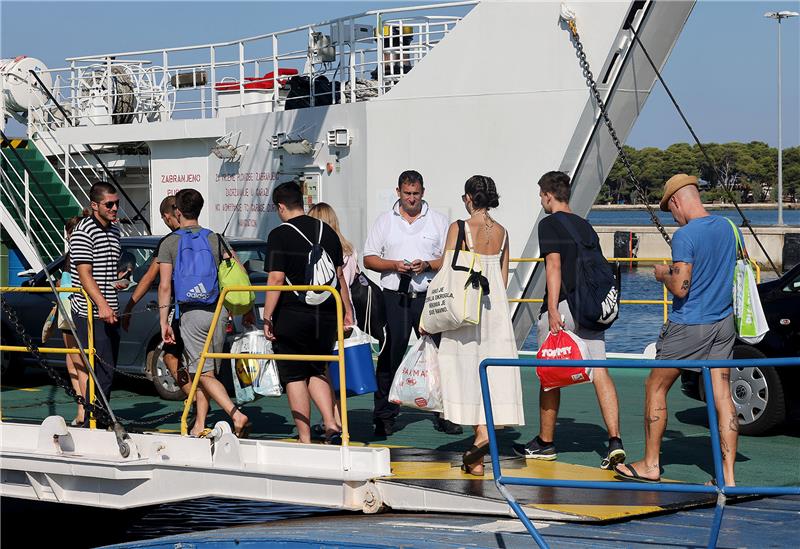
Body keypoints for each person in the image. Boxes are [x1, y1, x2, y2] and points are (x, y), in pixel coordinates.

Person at [615, 174, 740, 486]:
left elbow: (682, 287)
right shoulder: (727, 227)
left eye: (671, 211)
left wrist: (662, 274)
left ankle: (650, 464)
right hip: (723, 323)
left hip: (689, 325)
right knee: (722, 396)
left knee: (655, 387)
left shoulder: (686, 235)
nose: (674, 216)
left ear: (675, 201)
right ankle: (728, 477)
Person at [513, 171, 625, 470]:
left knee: (550, 375)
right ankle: (615, 441)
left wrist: (551, 310)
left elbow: (553, 265)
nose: (541, 201)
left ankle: (545, 443)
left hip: (564, 308)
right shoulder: (584, 225)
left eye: (541, 195)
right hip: (590, 308)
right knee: (600, 371)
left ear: (549, 195)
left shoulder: (549, 223)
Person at [436, 175, 524, 476]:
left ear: (469, 198)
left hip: (466, 306)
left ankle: (481, 440)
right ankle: (479, 448)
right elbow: (502, 274)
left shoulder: (459, 228)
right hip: (495, 306)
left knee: (461, 368)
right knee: (492, 371)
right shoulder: (502, 232)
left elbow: (448, 270)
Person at [363, 170, 461, 437]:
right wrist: (394, 265)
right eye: (407, 194)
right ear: (398, 192)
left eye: (416, 194)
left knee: (440, 356)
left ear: (423, 192)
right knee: (389, 356)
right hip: (393, 297)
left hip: (430, 297)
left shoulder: (439, 221)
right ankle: (384, 415)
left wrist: (427, 264)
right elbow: (369, 259)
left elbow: (450, 258)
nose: (411, 199)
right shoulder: (385, 221)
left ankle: (445, 414)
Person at [262, 182, 354, 444]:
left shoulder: (280, 234)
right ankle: (330, 424)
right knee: (317, 368)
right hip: (325, 313)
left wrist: (267, 317)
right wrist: (346, 311)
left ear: (280, 207)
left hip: (292, 314)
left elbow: (276, 279)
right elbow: (339, 278)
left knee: (294, 375)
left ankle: (304, 437)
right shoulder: (328, 232)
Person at [157, 189, 250, 438]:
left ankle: (235, 413)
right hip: (217, 311)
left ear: (177, 211)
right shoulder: (215, 239)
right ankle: (199, 423)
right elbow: (237, 271)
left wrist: (163, 321)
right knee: (206, 369)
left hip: (191, 313)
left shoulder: (170, 243)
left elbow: (165, 285)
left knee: (203, 372)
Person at [122, 195, 212, 436]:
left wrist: (130, 303)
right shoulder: (207, 236)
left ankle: (195, 401)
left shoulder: (170, 241)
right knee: (200, 365)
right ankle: (198, 409)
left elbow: (152, 277)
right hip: (210, 307)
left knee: (174, 359)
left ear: (171, 215)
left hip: (181, 310)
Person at [69, 182, 122, 426]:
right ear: (94, 205)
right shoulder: (83, 232)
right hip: (90, 311)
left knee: (107, 369)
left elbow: (106, 272)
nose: (114, 208)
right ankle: (96, 419)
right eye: (109, 204)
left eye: (116, 203)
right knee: (100, 369)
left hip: (111, 308)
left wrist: (120, 281)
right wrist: (101, 305)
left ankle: (99, 417)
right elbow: (84, 274)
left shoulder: (114, 231)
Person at [60, 214, 88, 426]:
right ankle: (81, 405)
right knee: (72, 359)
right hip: (66, 306)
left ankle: (85, 408)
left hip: (73, 307)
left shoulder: (77, 254)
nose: (69, 237)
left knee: (79, 361)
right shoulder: (71, 254)